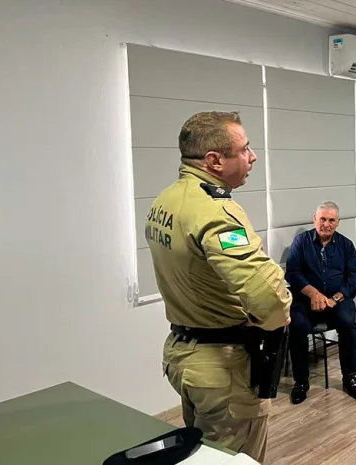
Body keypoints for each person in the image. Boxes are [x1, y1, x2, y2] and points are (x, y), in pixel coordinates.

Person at [146, 111, 291, 462]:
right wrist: (275, 314)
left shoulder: (165, 201)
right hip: (222, 367)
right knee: (234, 460)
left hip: (184, 354)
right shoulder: (216, 211)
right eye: (244, 149)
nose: (252, 156)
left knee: (204, 456)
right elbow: (270, 301)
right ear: (214, 161)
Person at [285, 201, 356, 404]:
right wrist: (313, 294)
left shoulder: (346, 245)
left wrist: (336, 298)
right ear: (315, 219)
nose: (326, 224)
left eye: (331, 220)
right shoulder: (300, 242)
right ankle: (301, 381)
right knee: (297, 326)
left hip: (337, 299)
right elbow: (292, 273)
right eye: (322, 219)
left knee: (348, 324)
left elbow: (355, 278)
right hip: (307, 300)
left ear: (337, 223)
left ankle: (349, 377)